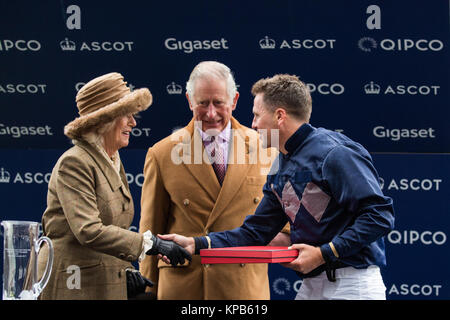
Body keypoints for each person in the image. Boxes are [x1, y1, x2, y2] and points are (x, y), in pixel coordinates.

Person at [159, 74, 395, 300]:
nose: (252, 124)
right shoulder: (280, 164)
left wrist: (326, 253)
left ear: (279, 116)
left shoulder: (335, 153)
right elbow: (254, 233)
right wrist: (195, 243)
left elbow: (380, 215)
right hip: (313, 285)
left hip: (353, 284)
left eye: (256, 115)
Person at [139, 61, 289, 300]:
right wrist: (147, 290)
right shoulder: (162, 153)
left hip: (242, 289)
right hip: (184, 290)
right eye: (202, 103)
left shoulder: (267, 148)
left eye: (218, 103)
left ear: (235, 100)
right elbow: (151, 231)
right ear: (189, 100)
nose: (211, 113)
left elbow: (286, 229)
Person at [37, 72, 191, 300]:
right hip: (72, 283)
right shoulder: (75, 162)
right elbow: (88, 230)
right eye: (126, 115)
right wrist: (151, 244)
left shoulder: (111, 159)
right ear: (104, 120)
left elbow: (111, 230)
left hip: (101, 282)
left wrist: (125, 271)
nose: (133, 122)